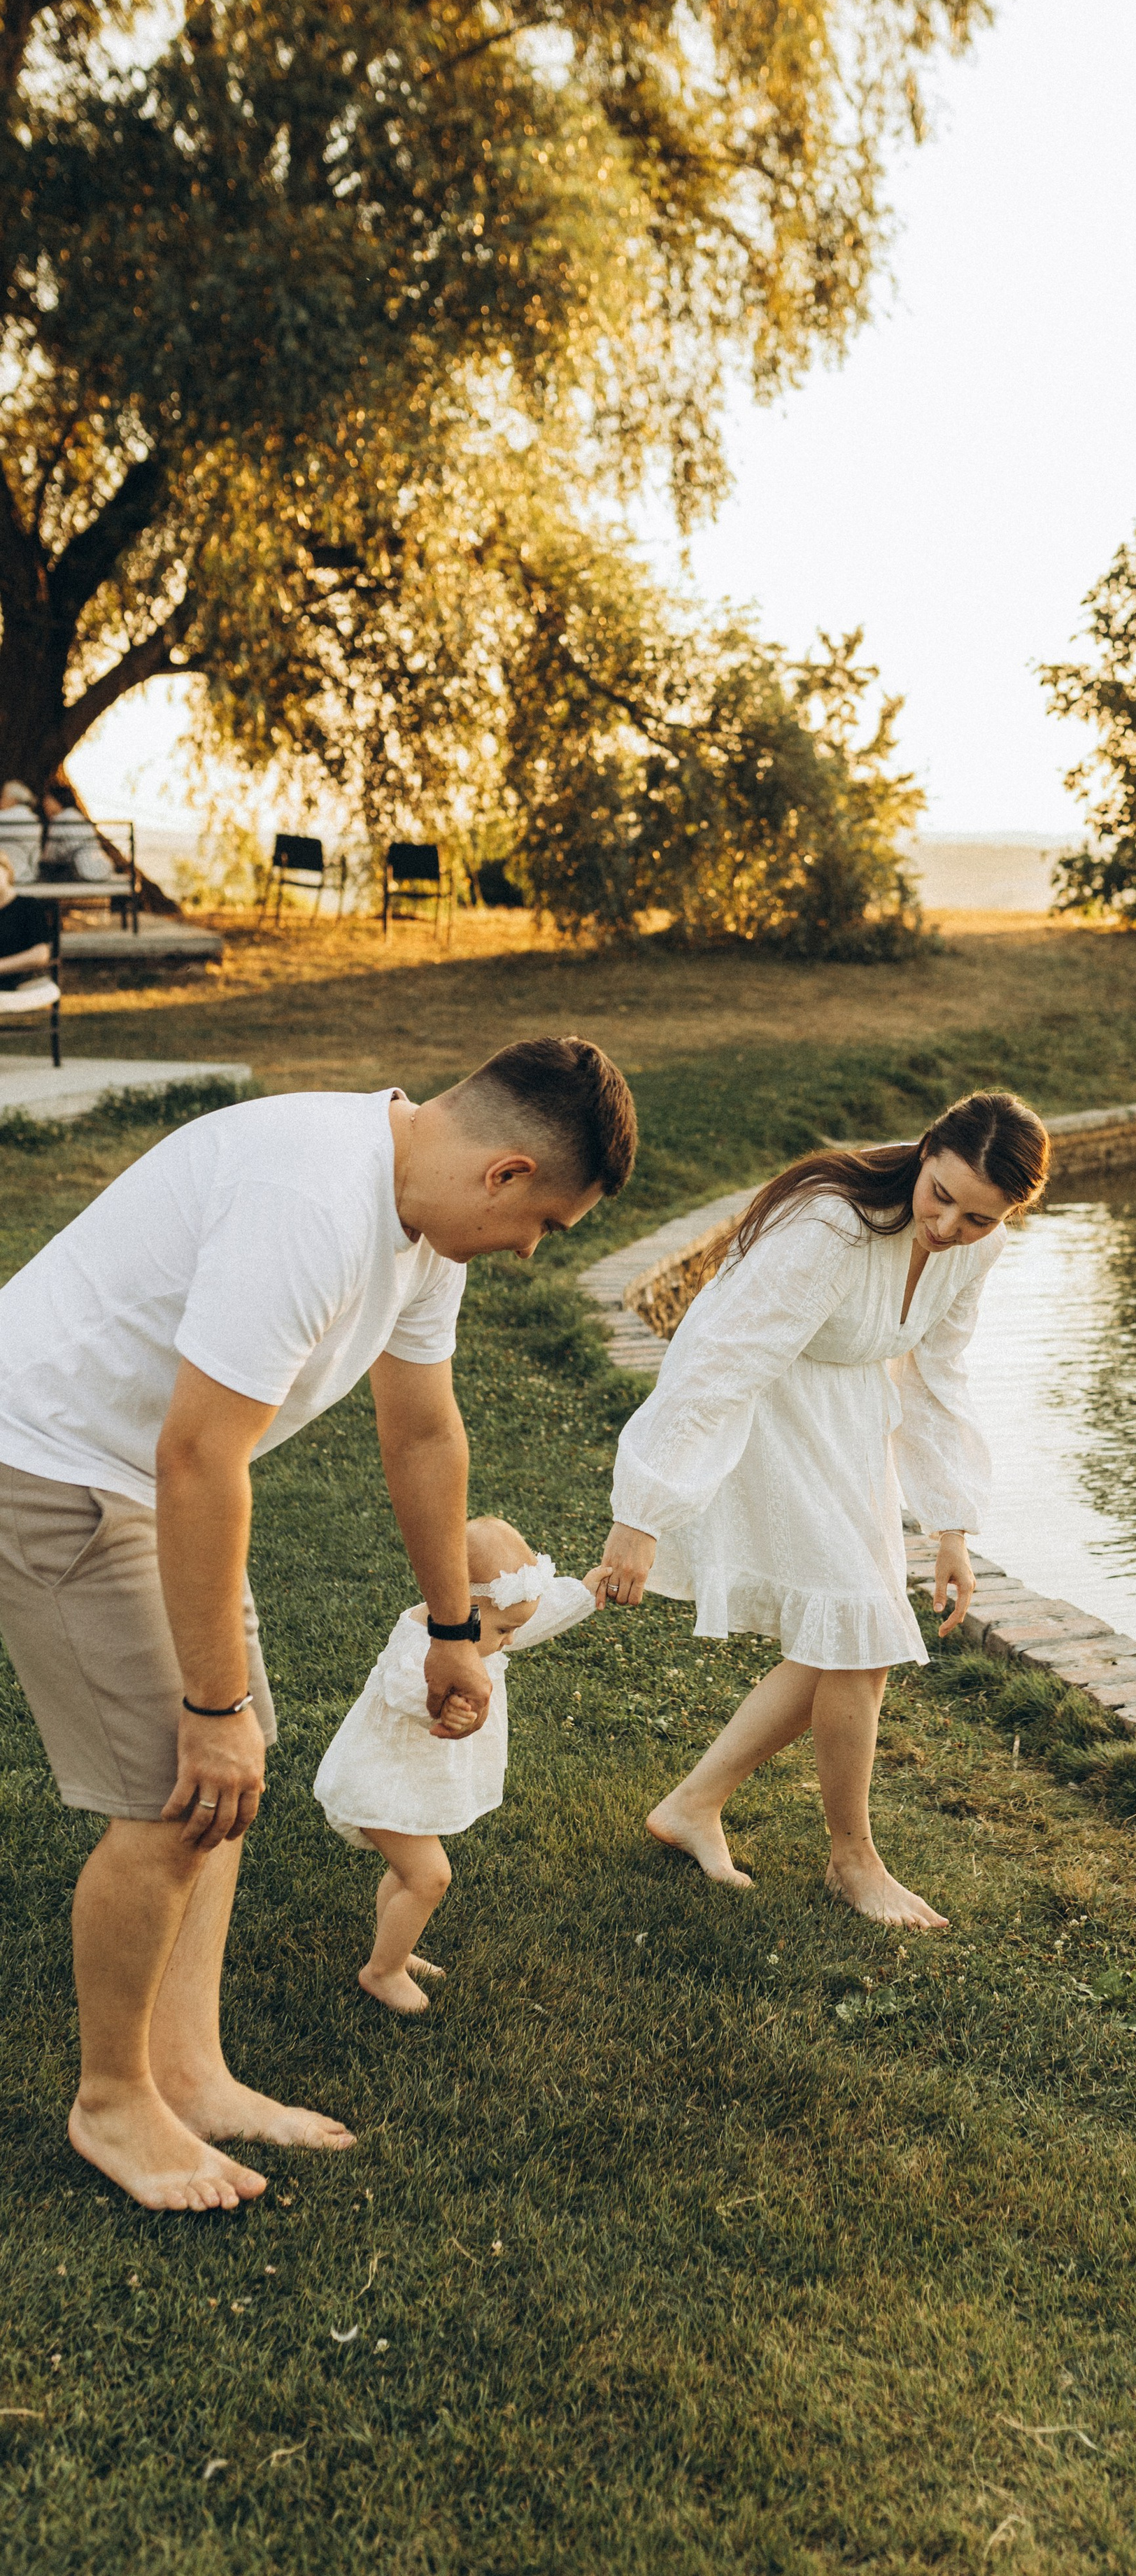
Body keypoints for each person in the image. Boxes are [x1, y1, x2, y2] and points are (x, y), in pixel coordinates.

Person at [0, 1034, 637, 2213]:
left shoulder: (419, 1217)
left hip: (148, 1469)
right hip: (54, 1460)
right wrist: (208, 1702)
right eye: (547, 1224)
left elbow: (424, 1432)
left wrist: (454, 1625)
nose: (531, 1250)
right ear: (503, 1174)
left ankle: (189, 2071)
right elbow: (200, 1453)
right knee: (173, 1788)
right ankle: (114, 2102)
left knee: (221, 1790)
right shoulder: (309, 1200)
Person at [589, 1089, 1049, 1931]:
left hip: (850, 1425)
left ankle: (692, 1806)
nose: (948, 1227)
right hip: (771, 1414)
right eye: (940, 1195)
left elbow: (939, 1373)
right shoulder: (831, 1226)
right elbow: (719, 1360)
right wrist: (644, 1510)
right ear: (924, 1152)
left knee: (845, 1634)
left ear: (1010, 1213)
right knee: (860, 1636)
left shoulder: (975, 1250)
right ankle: (852, 1859)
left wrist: (950, 1528)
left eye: (979, 1218)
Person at [313, 1515, 595, 2013]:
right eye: (504, 1629)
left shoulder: (478, 1629)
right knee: (430, 1878)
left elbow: (531, 1619)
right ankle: (382, 1972)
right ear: (464, 1607)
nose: (510, 1640)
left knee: (407, 1875)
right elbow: (405, 1688)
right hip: (378, 1784)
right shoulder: (421, 1646)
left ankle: (394, 1948)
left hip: (406, 1787)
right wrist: (443, 1706)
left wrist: (589, 1593)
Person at [0, 846, 57, 1010]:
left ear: (7, 871)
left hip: (16, 980)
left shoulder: (28, 906)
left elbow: (41, 954)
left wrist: (1, 966)